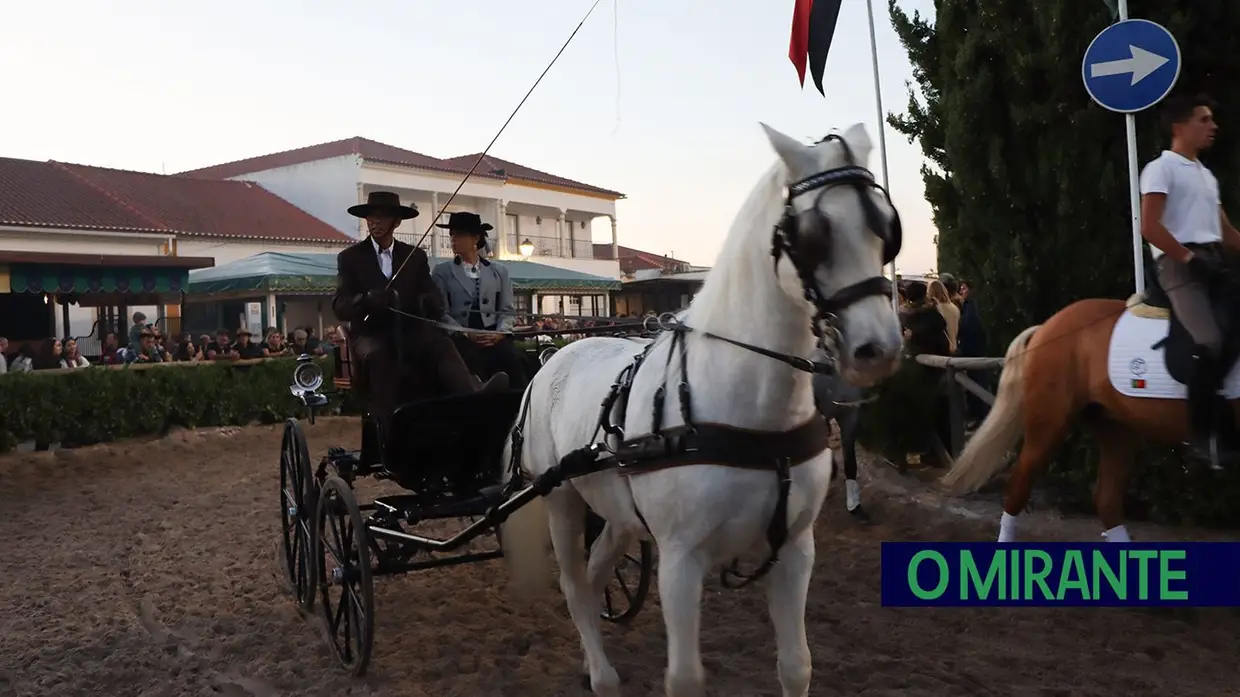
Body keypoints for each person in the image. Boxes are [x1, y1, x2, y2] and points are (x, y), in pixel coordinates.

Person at [332, 191, 509, 436]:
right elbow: (340, 305)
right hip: (371, 334)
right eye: (371, 217)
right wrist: (366, 299)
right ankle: (391, 427)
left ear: (396, 222)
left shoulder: (414, 256)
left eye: (382, 217)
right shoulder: (350, 258)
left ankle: (472, 396)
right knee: (380, 355)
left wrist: (430, 301)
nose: (374, 222)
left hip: (408, 332)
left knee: (441, 344)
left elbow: (431, 293)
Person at [1139, 92, 1240, 467]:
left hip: (1213, 259)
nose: (1213, 126)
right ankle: (1202, 437)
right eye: (1204, 120)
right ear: (1180, 127)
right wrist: (1189, 259)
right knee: (1209, 340)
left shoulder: (1206, 175)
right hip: (1179, 265)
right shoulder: (1160, 169)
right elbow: (1149, 226)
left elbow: (1227, 233)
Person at [431, 212, 529, 388]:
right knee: (467, 358)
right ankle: (479, 391)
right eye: (451, 235)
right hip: (461, 335)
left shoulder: (499, 271)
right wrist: (465, 333)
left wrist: (500, 333)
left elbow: (507, 310)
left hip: (493, 333)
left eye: (459, 235)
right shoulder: (442, 272)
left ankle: (519, 402)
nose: (453, 239)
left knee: (512, 357)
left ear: (475, 238)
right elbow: (441, 313)